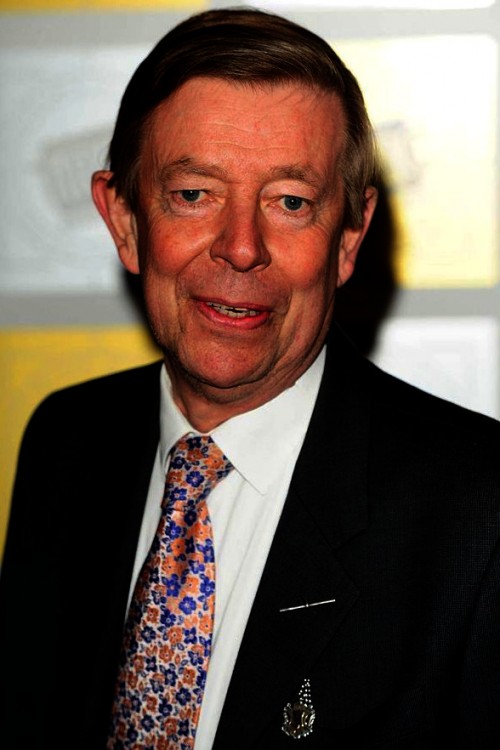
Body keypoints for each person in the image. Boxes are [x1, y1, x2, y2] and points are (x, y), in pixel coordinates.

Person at [1, 8, 499, 750]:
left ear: (348, 238)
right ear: (125, 220)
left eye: (290, 202)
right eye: (194, 194)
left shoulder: (479, 512)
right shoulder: (66, 441)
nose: (241, 248)